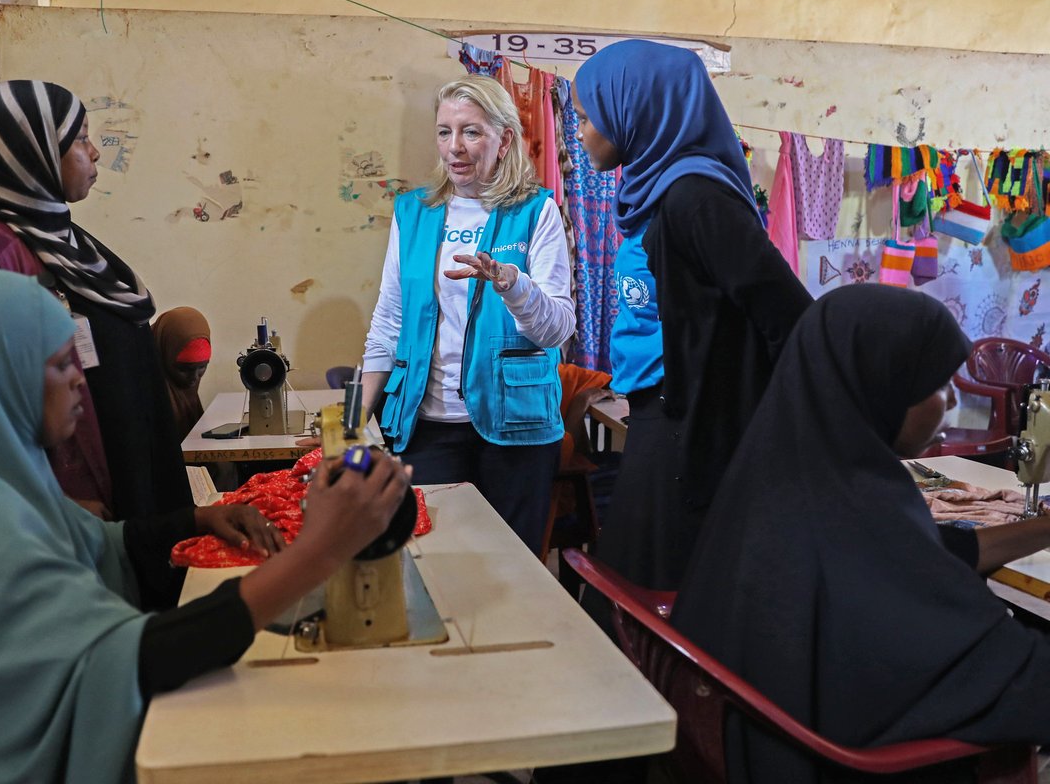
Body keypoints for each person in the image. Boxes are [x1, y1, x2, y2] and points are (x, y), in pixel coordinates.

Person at [0, 269, 411, 784]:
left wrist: (198, 517)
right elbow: (126, 660)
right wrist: (315, 554)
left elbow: (99, 541)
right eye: (58, 364)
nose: (80, 384)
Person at [670, 284, 1050, 784]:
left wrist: (1041, 528)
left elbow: (927, 557)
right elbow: (996, 672)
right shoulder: (849, 518)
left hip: (754, 732)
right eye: (937, 385)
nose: (953, 401)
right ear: (879, 386)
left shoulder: (793, 477)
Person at [0, 81, 270, 575]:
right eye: (79, 140)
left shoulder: (66, 244)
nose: (94, 155)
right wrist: (45, 502)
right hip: (65, 520)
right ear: (29, 153)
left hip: (136, 484)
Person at [571, 40, 813, 590]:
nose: (580, 133)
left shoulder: (694, 198)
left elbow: (789, 316)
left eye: (588, 118)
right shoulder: (654, 189)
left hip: (692, 427)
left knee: (653, 596)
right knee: (637, 589)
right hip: (664, 416)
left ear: (635, 110)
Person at [358, 74, 575, 553]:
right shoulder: (413, 212)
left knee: (512, 568)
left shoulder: (536, 211)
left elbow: (558, 328)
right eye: (444, 131)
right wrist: (355, 419)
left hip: (517, 431)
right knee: (434, 560)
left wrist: (512, 285)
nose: (454, 147)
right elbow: (388, 322)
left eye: (471, 132)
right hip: (427, 424)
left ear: (504, 140)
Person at [152, 306, 212, 442]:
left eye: (202, 367)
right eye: (184, 369)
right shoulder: (145, 396)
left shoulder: (184, 398)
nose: (195, 378)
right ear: (163, 354)